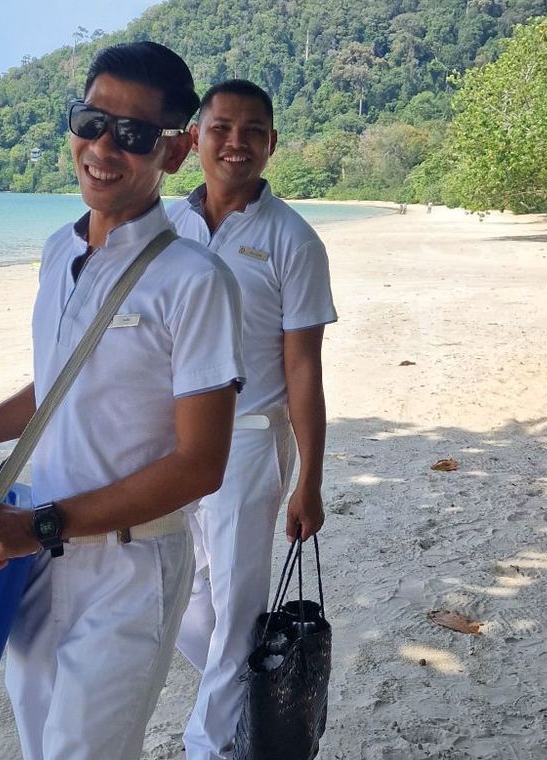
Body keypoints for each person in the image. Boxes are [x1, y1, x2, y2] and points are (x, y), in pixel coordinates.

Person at [0, 43, 246, 760]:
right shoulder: (58, 252)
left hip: (128, 566)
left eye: (133, 133)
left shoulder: (196, 282)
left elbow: (201, 464)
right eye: (91, 122)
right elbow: (56, 388)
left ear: (175, 152)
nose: (104, 147)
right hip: (34, 555)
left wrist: (40, 524)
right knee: (41, 743)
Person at [167, 79, 337, 760]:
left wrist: (310, 481)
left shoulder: (293, 240)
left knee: (237, 606)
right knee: (178, 589)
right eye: (222, 128)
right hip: (168, 442)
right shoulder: (166, 227)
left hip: (249, 442)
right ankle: (241, 696)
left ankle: (209, 746)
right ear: (195, 138)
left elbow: (304, 370)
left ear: (271, 144)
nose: (236, 143)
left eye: (252, 131)